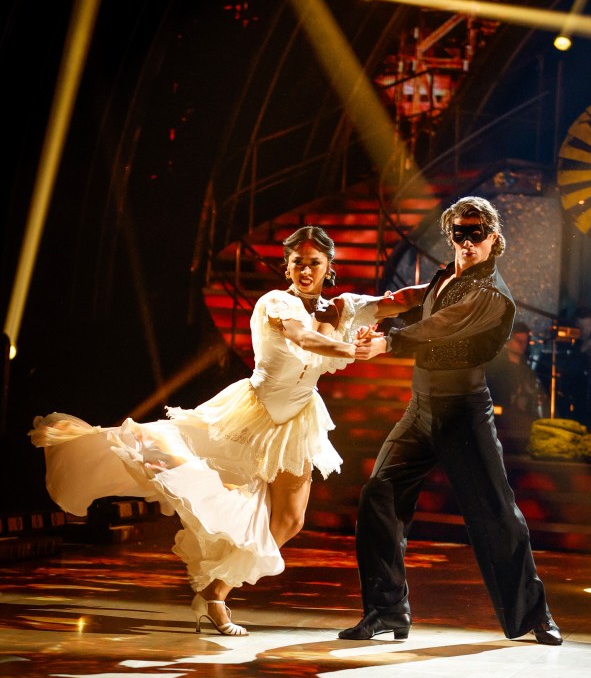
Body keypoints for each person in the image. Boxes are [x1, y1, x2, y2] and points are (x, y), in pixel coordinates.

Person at [30, 226, 399, 637]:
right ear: (287, 266)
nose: (306, 270)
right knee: (203, 480)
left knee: (291, 520)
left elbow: (398, 301)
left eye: (314, 263)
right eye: (298, 262)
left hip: (296, 424)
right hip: (253, 415)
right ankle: (114, 452)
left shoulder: (343, 307)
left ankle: (213, 595)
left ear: (329, 266)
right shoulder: (276, 302)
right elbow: (303, 338)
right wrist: (353, 348)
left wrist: (447, 278)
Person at [338, 196, 563, 646]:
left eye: (476, 234)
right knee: (379, 494)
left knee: (496, 514)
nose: (466, 242)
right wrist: (365, 312)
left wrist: (387, 343)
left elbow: (440, 326)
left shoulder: (491, 294)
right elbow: (415, 301)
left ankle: (534, 614)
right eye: (459, 233)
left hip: (463, 414)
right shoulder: (446, 276)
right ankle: (387, 611)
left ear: (493, 238)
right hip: (421, 409)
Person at [485, 319, 549, 450]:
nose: (522, 345)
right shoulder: (496, 366)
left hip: (521, 419)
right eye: (519, 341)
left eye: (525, 342)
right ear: (508, 340)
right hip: (501, 419)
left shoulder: (526, 367)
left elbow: (532, 392)